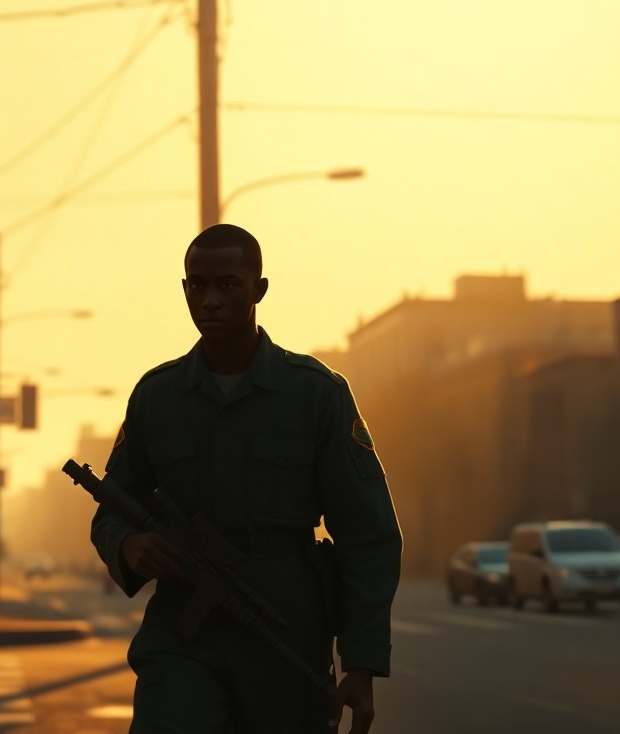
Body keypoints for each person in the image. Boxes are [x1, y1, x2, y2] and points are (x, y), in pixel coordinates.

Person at [91, 223, 402, 733]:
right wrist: (129, 545)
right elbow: (111, 508)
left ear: (259, 290)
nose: (209, 300)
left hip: (282, 632)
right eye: (197, 285)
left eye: (227, 285)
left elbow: (368, 533)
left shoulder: (316, 395)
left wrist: (362, 664)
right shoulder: (156, 397)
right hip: (182, 633)